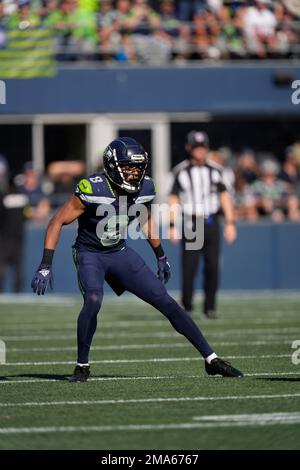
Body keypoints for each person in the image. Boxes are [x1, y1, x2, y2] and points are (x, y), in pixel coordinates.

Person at [31, 137, 243, 382]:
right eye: (129, 167)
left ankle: (211, 359)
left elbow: (145, 219)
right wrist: (46, 264)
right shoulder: (94, 188)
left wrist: (160, 255)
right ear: (112, 166)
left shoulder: (145, 188)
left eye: (138, 168)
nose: (134, 173)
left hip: (119, 252)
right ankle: (82, 366)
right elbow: (56, 221)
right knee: (93, 299)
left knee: (166, 302)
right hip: (90, 254)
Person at [169, 130, 237, 320]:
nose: (200, 150)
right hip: (192, 222)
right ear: (189, 148)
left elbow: (225, 197)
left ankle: (210, 307)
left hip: (211, 221)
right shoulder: (181, 170)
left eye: (203, 147)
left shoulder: (216, 170)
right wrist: (172, 224)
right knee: (189, 267)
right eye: (196, 147)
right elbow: (173, 198)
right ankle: (187, 306)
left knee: (213, 267)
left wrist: (231, 222)